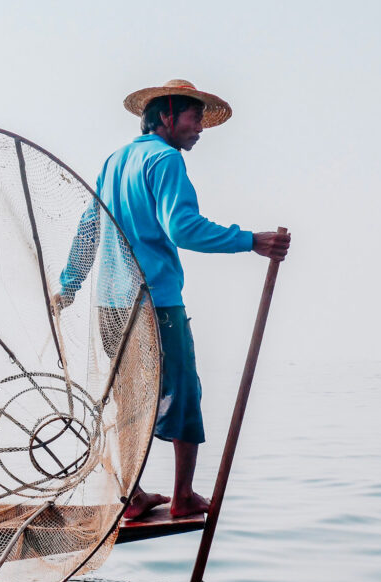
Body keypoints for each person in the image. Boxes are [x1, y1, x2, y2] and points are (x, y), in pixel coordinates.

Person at [53, 79, 290, 519]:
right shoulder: (165, 161)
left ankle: (133, 496)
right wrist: (249, 241)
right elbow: (182, 227)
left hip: (110, 305)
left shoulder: (116, 160)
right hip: (154, 303)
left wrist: (69, 285)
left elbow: (89, 228)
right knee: (183, 395)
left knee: (129, 398)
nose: (200, 127)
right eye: (194, 116)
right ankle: (183, 497)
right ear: (166, 115)